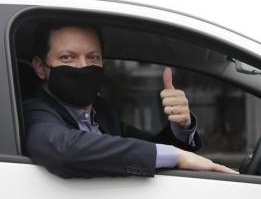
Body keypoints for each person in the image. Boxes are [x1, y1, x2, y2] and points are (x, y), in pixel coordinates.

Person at [23, 22, 237, 178]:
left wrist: (180, 126)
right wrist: (177, 156)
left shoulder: (102, 112)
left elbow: (143, 148)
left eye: (93, 57)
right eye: (67, 57)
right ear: (41, 68)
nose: (83, 66)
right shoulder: (34, 111)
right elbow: (65, 150)